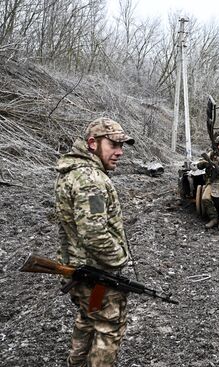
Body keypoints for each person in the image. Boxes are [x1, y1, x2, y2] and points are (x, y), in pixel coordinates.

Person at [55, 117, 134, 366]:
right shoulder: (91, 180)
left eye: (122, 146)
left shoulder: (73, 172)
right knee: (108, 327)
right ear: (92, 143)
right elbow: (94, 234)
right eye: (114, 145)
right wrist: (120, 260)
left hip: (81, 270)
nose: (120, 152)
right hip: (96, 274)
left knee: (88, 318)